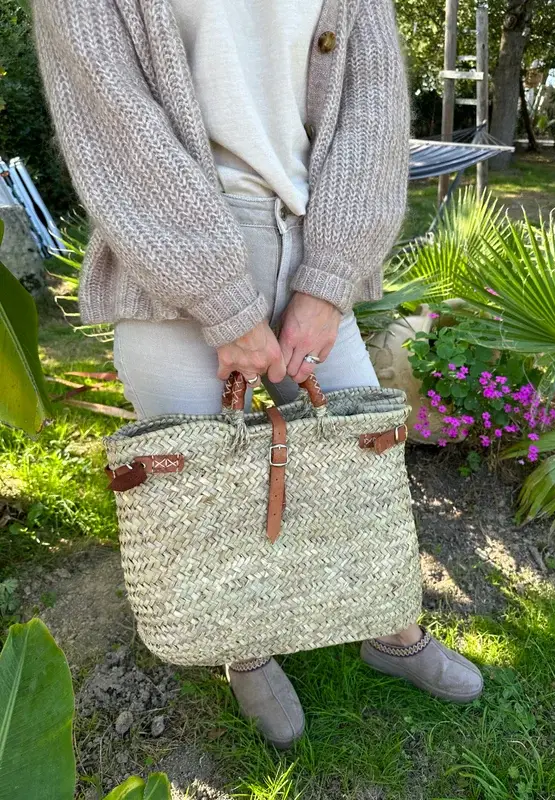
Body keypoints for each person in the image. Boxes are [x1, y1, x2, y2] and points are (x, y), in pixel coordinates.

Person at [33, 0, 483, 751]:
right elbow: (110, 121)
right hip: (168, 261)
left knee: (357, 470)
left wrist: (330, 279)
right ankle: (250, 650)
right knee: (211, 490)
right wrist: (223, 303)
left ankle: (393, 631)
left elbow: (374, 108)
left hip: (315, 235)